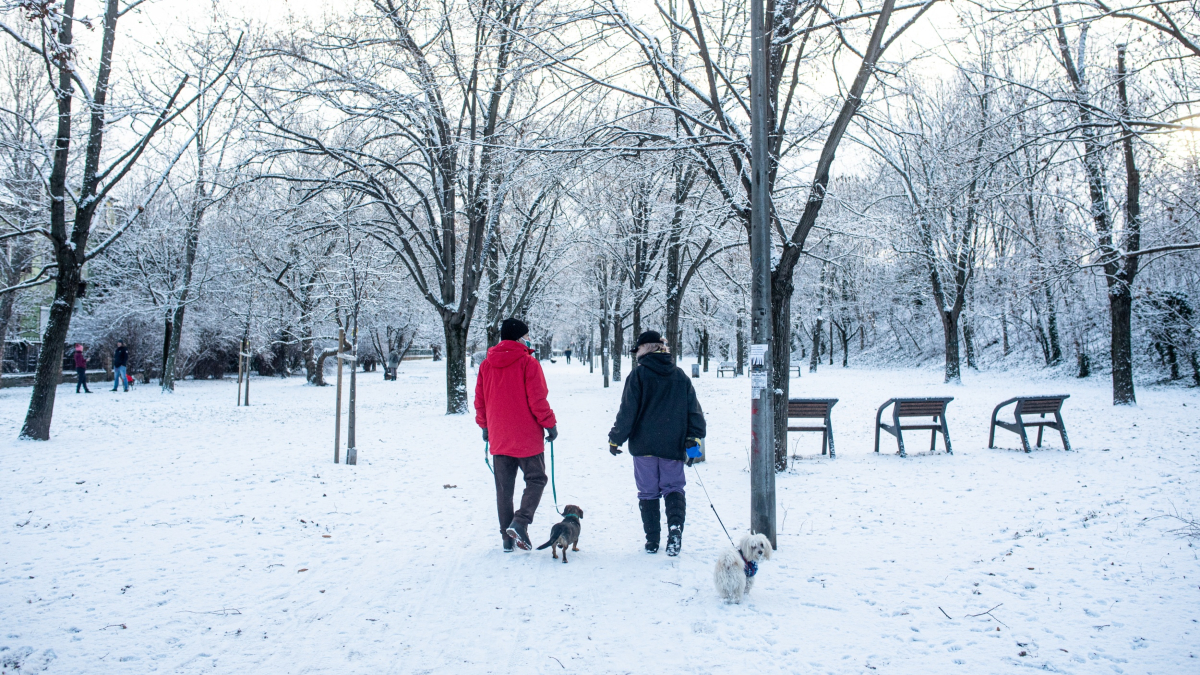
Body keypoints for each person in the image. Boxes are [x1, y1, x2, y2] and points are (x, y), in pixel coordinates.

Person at [607, 331, 706, 556]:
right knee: (673, 488)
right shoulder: (680, 376)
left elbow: (627, 412)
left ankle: (652, 540)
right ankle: (675, 529)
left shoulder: (638, 376)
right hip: (673, 446)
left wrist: (616, 438)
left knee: (648, 492)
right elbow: (695, 413)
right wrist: (693, 442)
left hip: (644, 447)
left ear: (644, 350)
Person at [475, 318, 558, 552]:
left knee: (504, 488)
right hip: (527, 437)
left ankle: (506, 538)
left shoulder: (486, 365)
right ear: (519, 337)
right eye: (526, 335)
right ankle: (520, 523)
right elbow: (538, 400)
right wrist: (550, 425)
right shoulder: (528, 364)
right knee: (536, 479)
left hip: (499, 437)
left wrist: (485, 427)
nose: (527, 339)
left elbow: (479, 401)